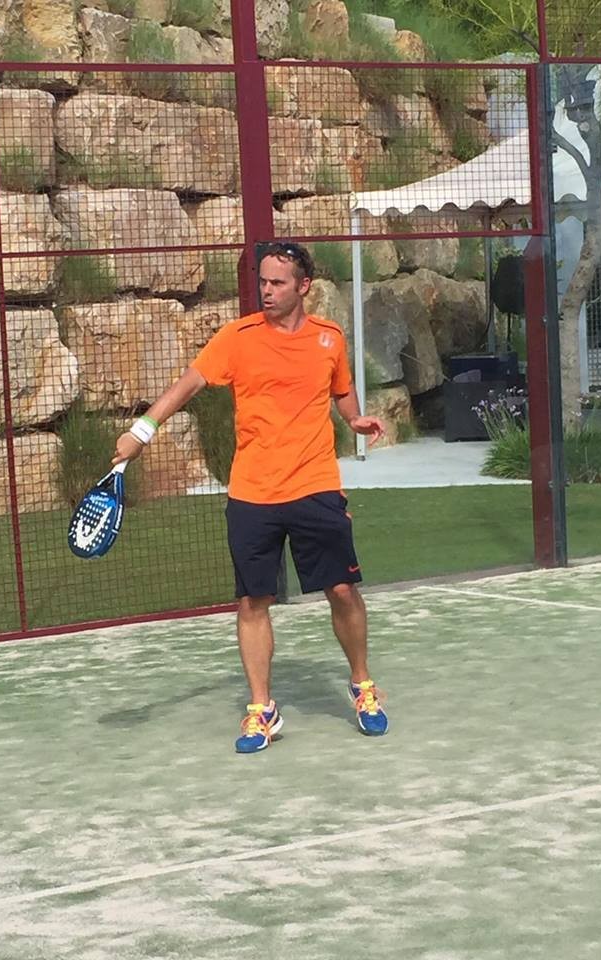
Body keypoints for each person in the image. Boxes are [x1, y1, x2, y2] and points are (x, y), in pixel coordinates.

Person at [113, 242, 388, 753]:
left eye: (277, 282)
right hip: (252, 494)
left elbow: (340, 388)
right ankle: (262, 710)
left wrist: (353, 418)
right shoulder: (236, 338)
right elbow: (187, 385)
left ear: (303, 286)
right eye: (262, 281)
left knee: (343, 591)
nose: (266, 290)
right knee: (252, 601)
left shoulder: (328, 338)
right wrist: (141, 432)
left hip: (315, 486)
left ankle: (362, 684)